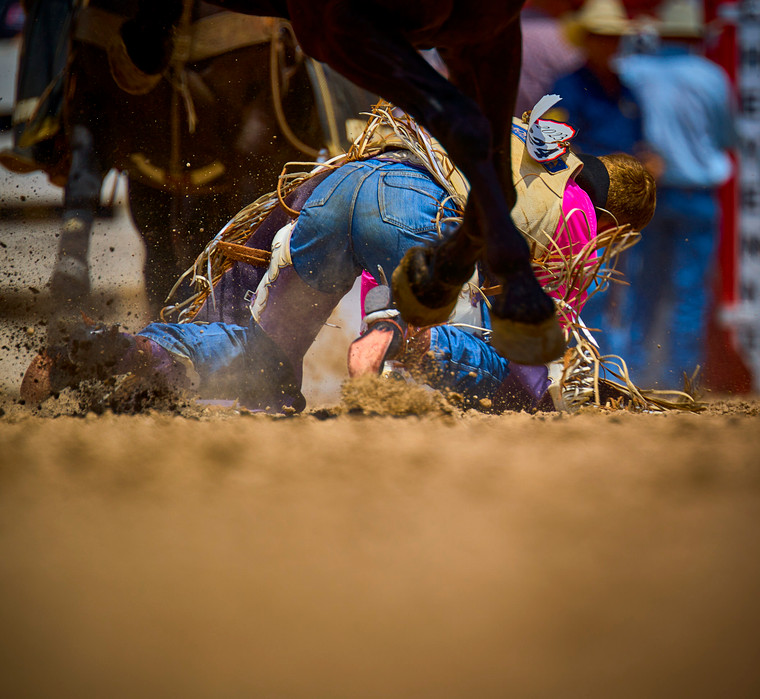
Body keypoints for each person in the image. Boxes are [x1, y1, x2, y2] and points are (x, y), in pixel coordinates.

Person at [20, 106, 656, 413]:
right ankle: (395, 344)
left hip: (336, 191)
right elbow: (538, 344)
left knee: (261, 363)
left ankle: (110, 352)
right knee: (506, 361)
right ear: (619, 223)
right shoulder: (579, 219)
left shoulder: (521, 137)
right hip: (418, 217)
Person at [611, 0, 735, 386]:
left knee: (641, 286)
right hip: (696, 194)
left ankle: (630, 372)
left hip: (648, 194)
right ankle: (683, 378)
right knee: (690, 290)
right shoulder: (711, 77)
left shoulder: (634, 71)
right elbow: (725, 137)